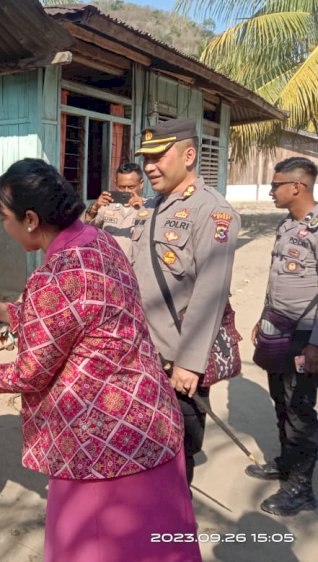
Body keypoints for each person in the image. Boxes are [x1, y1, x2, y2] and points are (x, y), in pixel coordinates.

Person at [0, 159, 200, 562]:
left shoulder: (57, 274)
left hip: (101, 444)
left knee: (97, 548)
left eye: (3, 218)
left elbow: (30, 371)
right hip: (151, 422)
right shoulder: (99, 243)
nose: (3, 228)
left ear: (30, 219)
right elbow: (70, 318)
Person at [130, 118, 240, 486]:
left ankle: (174, 536)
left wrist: (190, 364)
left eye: (158, 157)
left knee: (177, 457)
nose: (149, 167)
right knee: (144, 447)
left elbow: (211, 292)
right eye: (146, 158)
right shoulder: (153, 207)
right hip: (141, 355)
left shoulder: (213, 212)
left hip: (177, 362)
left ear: (189, 155)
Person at [247, 157, 318, 516]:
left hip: (306, 334)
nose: (271, 190)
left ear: (297, 187)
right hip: (279, 328)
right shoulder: (287, 225)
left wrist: (316, 343)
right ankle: (286, 465)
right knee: (281, 401)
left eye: (276, 184)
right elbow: (277, 280)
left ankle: (301, 489)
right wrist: (263, 316)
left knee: (299, 410)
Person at [84, 162, 146, 255]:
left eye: (131, 187)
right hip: (111, 264)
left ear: (141, 184)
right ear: (116, 183)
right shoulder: (107, 205)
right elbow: (87, 230)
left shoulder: (149, 208)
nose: (126, 191)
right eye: (121, 187)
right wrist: (95, 207)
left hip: (135, 267)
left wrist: (142, 209)